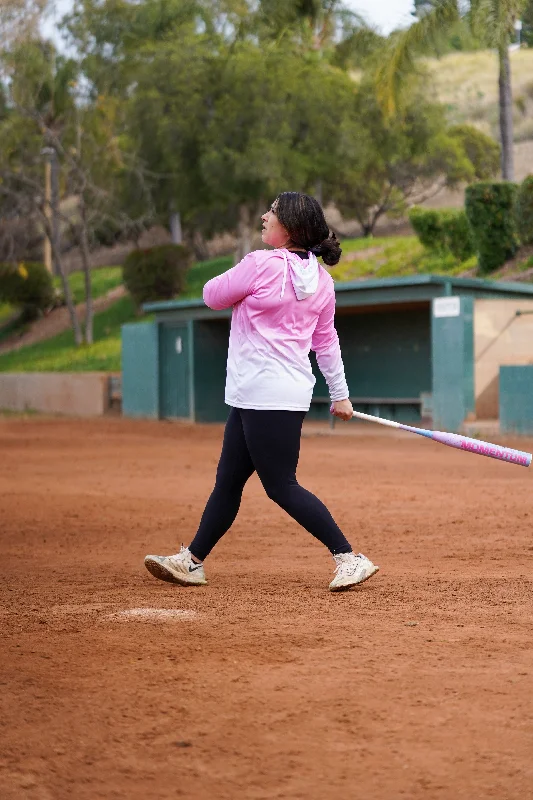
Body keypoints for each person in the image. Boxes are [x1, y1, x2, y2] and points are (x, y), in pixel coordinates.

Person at [144, 192, 379, 592]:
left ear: (289, 227)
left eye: (272, 212)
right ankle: (193, 561)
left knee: (281, 485)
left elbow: (211, 295)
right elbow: (326, 342)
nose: (264, 216)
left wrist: (341, 394)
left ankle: (348, 556)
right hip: (267, 395)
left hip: (262, 393)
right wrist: (339, 394)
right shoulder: (323, 281)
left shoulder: (259, 263)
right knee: (228, 483)